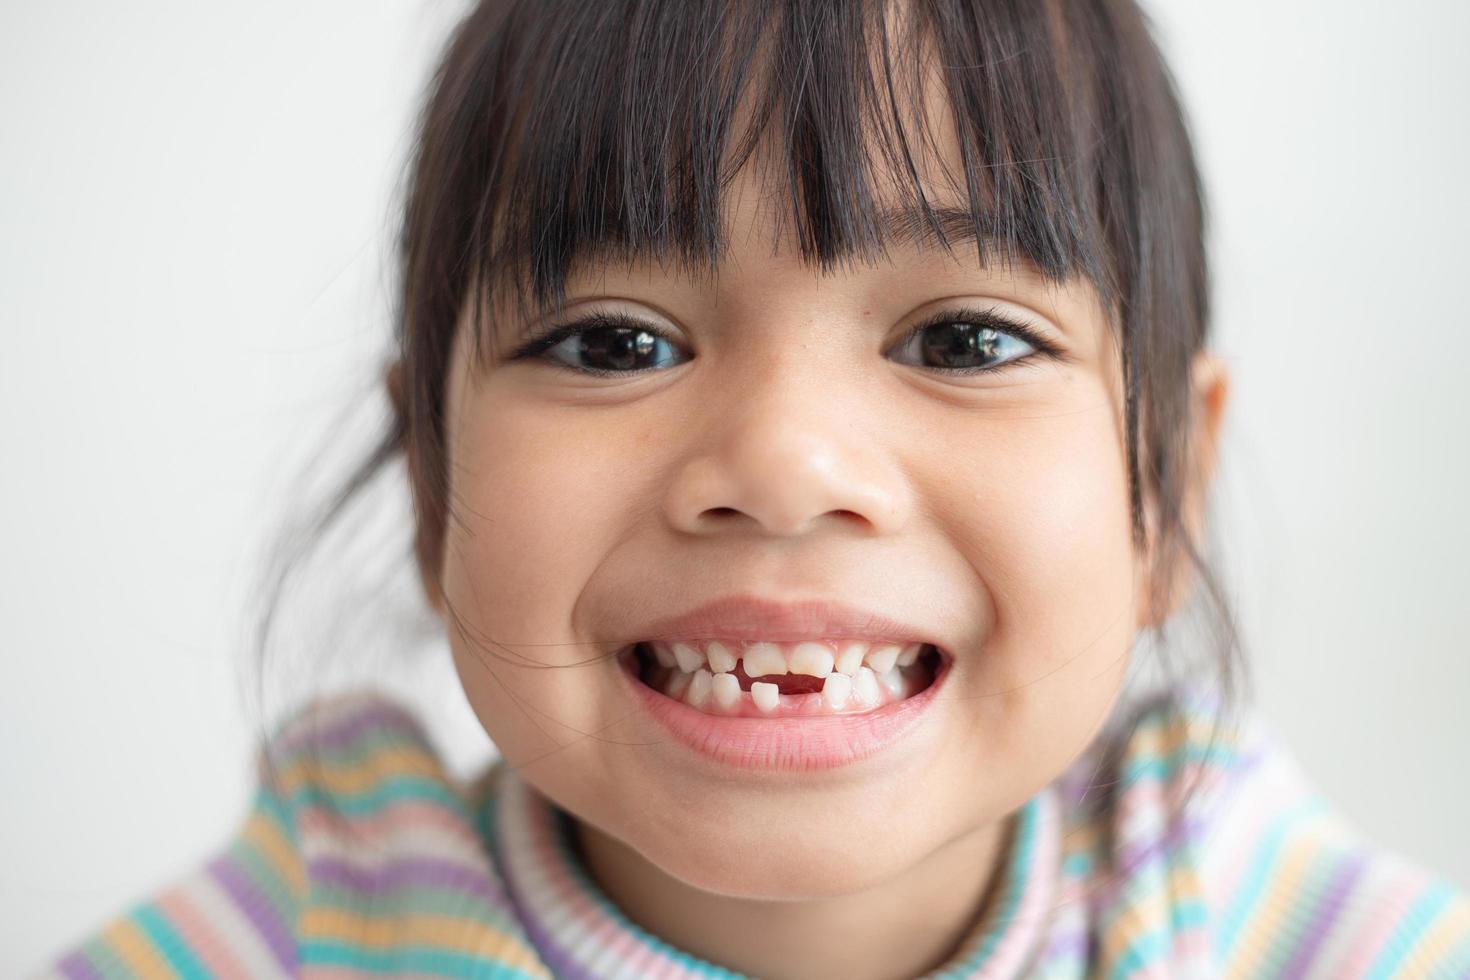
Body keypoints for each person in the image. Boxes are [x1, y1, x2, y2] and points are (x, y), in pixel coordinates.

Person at [37, 0, 1470, 977]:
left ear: (1166, 484)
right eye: (612, 341)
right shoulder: (319, 925)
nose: (783, 465)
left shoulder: (1233, 910)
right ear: (434, 484)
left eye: (964, 339)